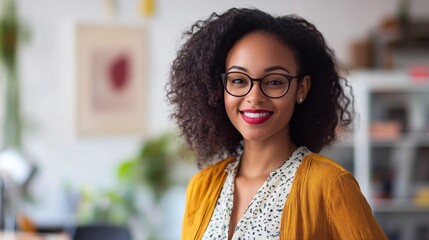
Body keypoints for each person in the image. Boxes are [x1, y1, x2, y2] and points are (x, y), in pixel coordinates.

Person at [167, 8, 387, 240]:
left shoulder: (330, 185)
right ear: (218, 89)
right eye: (239, 80)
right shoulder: (202, 186)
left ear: (301, 89)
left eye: (273, 81)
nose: (254, 97)